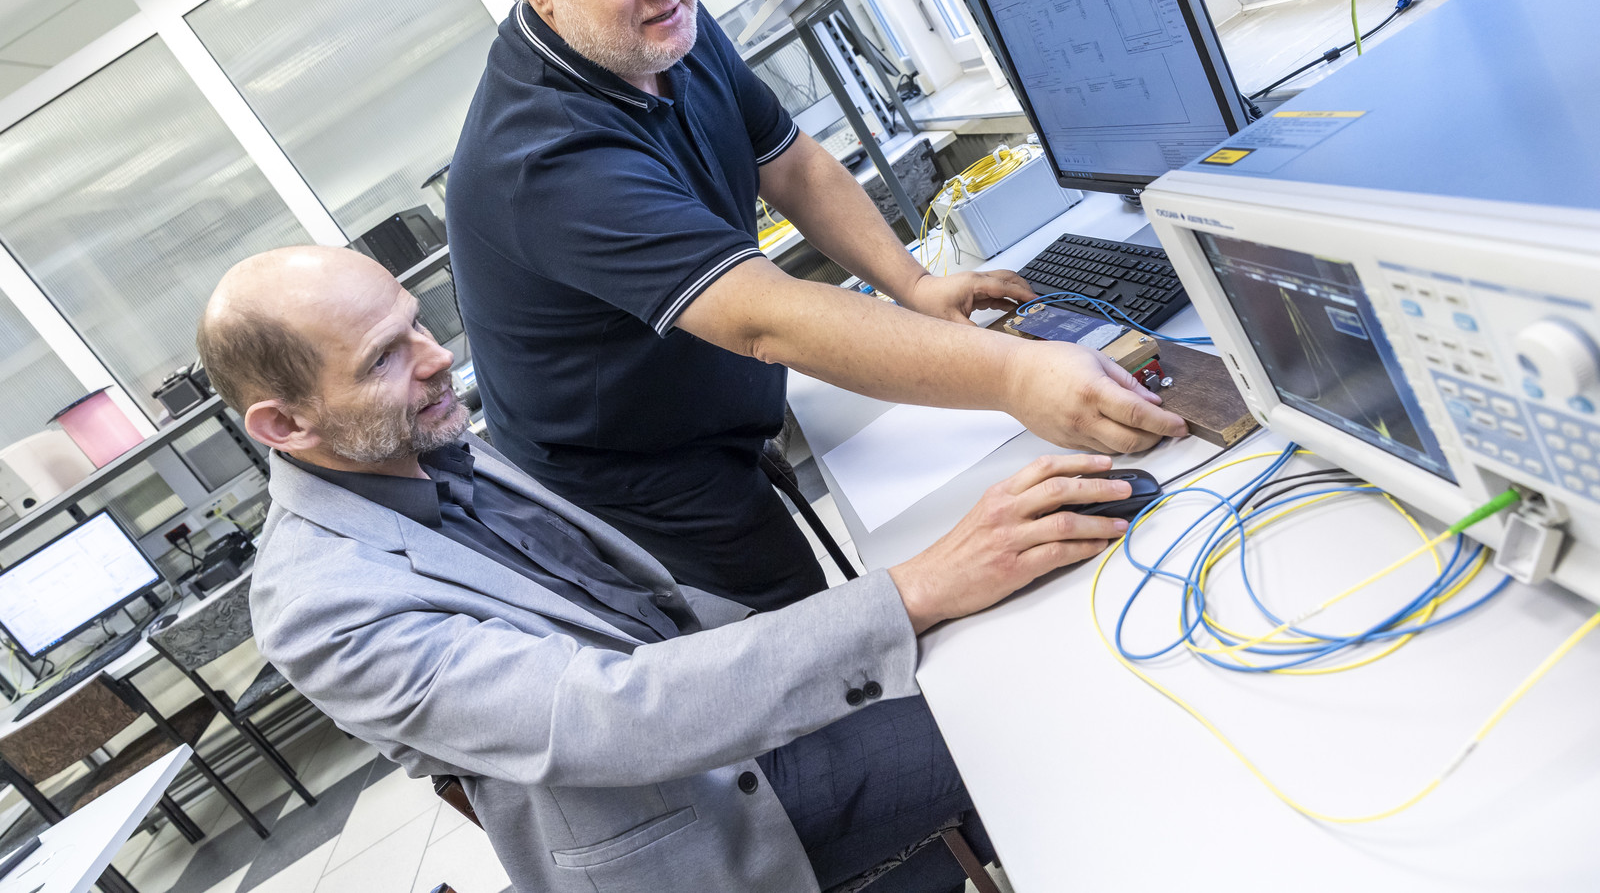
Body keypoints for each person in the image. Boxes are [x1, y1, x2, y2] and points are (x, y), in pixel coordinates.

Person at [202, 246, 1136, 893]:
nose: (437, 358)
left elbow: (645, 608)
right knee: (1021, 712)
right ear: (285, 424)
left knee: (1006, 638)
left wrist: (909, 610)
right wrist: (915, 590)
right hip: (702, 824)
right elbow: (611, 714)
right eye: (384, 357)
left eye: (416, 325)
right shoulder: (322, 609)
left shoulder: (408, 438)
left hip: (736, 727)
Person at [446, 0, 1187, 613]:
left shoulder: (657, 23)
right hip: (641, 490)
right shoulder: (541, 159)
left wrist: (914, 286)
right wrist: (1016, 376)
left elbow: (793, 165)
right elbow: (766, 319)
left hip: (716, 413)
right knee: (802, 636)